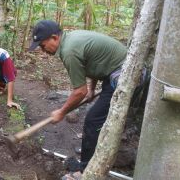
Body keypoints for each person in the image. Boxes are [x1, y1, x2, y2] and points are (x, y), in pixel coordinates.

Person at [29, 20, 145, 179]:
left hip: (126, 76)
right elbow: (93, 63)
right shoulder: (71, 39)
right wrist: (91, 89)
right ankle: (95, 151)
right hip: (118, 72)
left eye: (42, 46)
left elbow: (79, 92)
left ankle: (84, 171)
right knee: (99, 118)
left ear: (54, 38)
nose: (43, 50)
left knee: (93, 120)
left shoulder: (69, 51)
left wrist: (62, 112)